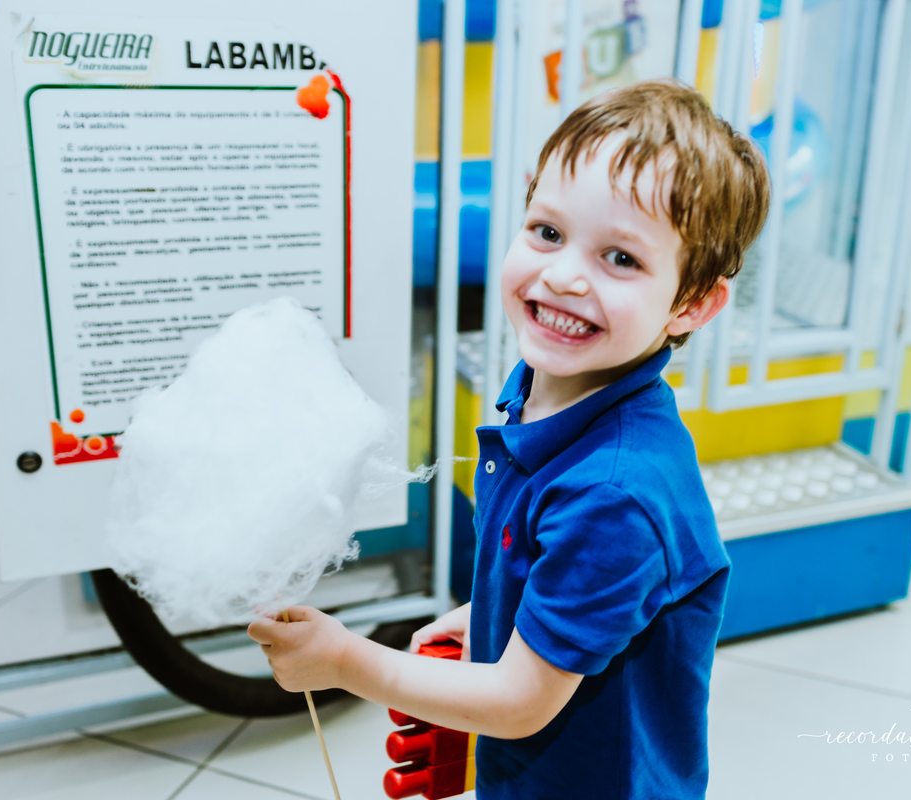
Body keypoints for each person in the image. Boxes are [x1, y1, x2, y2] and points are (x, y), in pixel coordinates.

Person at [249, 78, 770, 798]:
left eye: (620, 258)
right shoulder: (542, 394)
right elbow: (549, 582)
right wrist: (482, 622)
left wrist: (347, 663)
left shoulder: (613, 494)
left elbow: (524, 700)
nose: (563, 276)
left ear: (691, 303)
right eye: (548, 232)